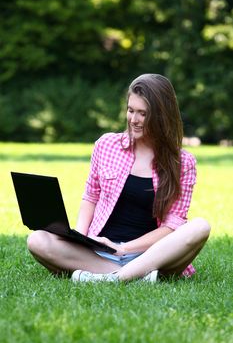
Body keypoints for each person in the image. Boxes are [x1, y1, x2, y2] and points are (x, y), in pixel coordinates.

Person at [27, 73, 211, 282]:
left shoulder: (183, 162)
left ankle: (116, 277)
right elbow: (91, 196)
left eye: (143, 113)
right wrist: (79, 236)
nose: (134, 120)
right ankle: (134, 277)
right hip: (99, 252)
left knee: (200, 227)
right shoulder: (106, 145)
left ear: (161, 115)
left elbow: (172, 226)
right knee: (37, 239)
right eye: (131, 110)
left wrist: (123, 248)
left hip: (152, 255)